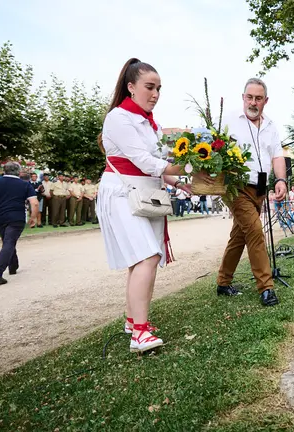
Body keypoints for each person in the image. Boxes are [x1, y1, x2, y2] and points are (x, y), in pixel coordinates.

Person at [96, 58, 200, 353]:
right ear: (131, 87)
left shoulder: (149, 123)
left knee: (141, 259)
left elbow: (155, 165)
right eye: (149, 87)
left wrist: (178, 183)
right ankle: (139, 334)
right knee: (147, 256)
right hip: (123, 194)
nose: (155, 94)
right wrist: (189, 167)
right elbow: (144, 162)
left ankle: (134, 322)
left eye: (158, 89)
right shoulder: (118, 118)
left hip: (146, 194)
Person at [217, 77, 287, 307]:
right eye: (249, 97)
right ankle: (266, 288)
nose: (253, 102)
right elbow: (211, 147)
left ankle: (223, 282)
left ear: (265, 101)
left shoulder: (271, 126)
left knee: (240, 235)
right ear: (243, 97)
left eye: (258, 98)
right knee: (255, 231)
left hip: (259, 189)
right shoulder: (228, 121)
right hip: (235, 188)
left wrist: (281, 180)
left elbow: (277, 155)